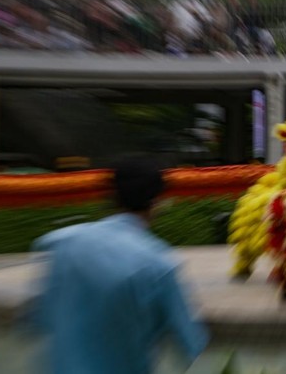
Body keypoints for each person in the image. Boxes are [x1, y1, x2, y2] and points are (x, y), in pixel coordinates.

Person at [29, 156, 208, 374]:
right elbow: (191, 342)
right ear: (156, 203)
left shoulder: (63, 245)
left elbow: (40, 319)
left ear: (112, 197)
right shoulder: (158, 264)